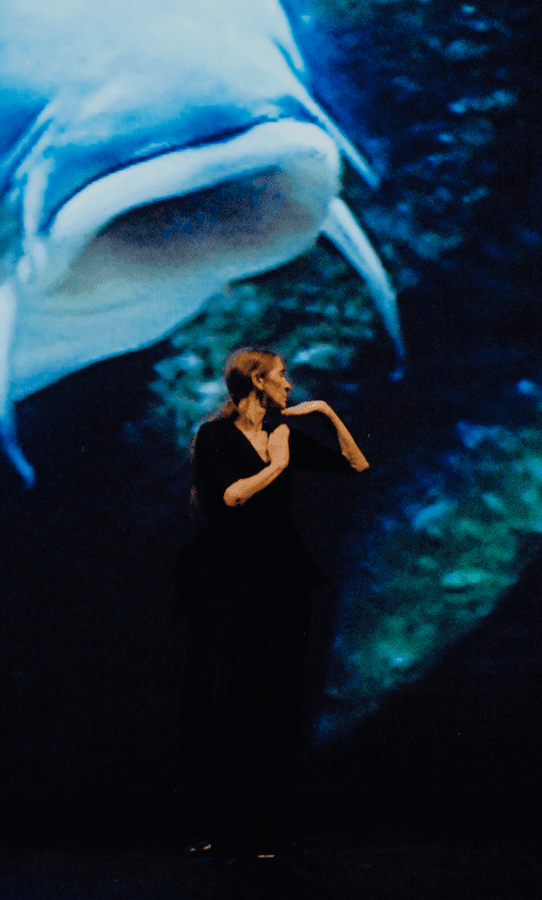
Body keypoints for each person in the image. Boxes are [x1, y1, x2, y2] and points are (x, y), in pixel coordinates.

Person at [179, 346, 367, 860]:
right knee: (230, 697)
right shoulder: (216, 436)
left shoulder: (284, 430)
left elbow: (357, 465)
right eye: (281, 377)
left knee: (279, 700)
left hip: (284, 578)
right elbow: (230, 497)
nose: (289, 385)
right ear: (257, 382)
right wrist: (278, 464)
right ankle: (224, 825)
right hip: (234, 580)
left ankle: (265, 828)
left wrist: (327, 415)